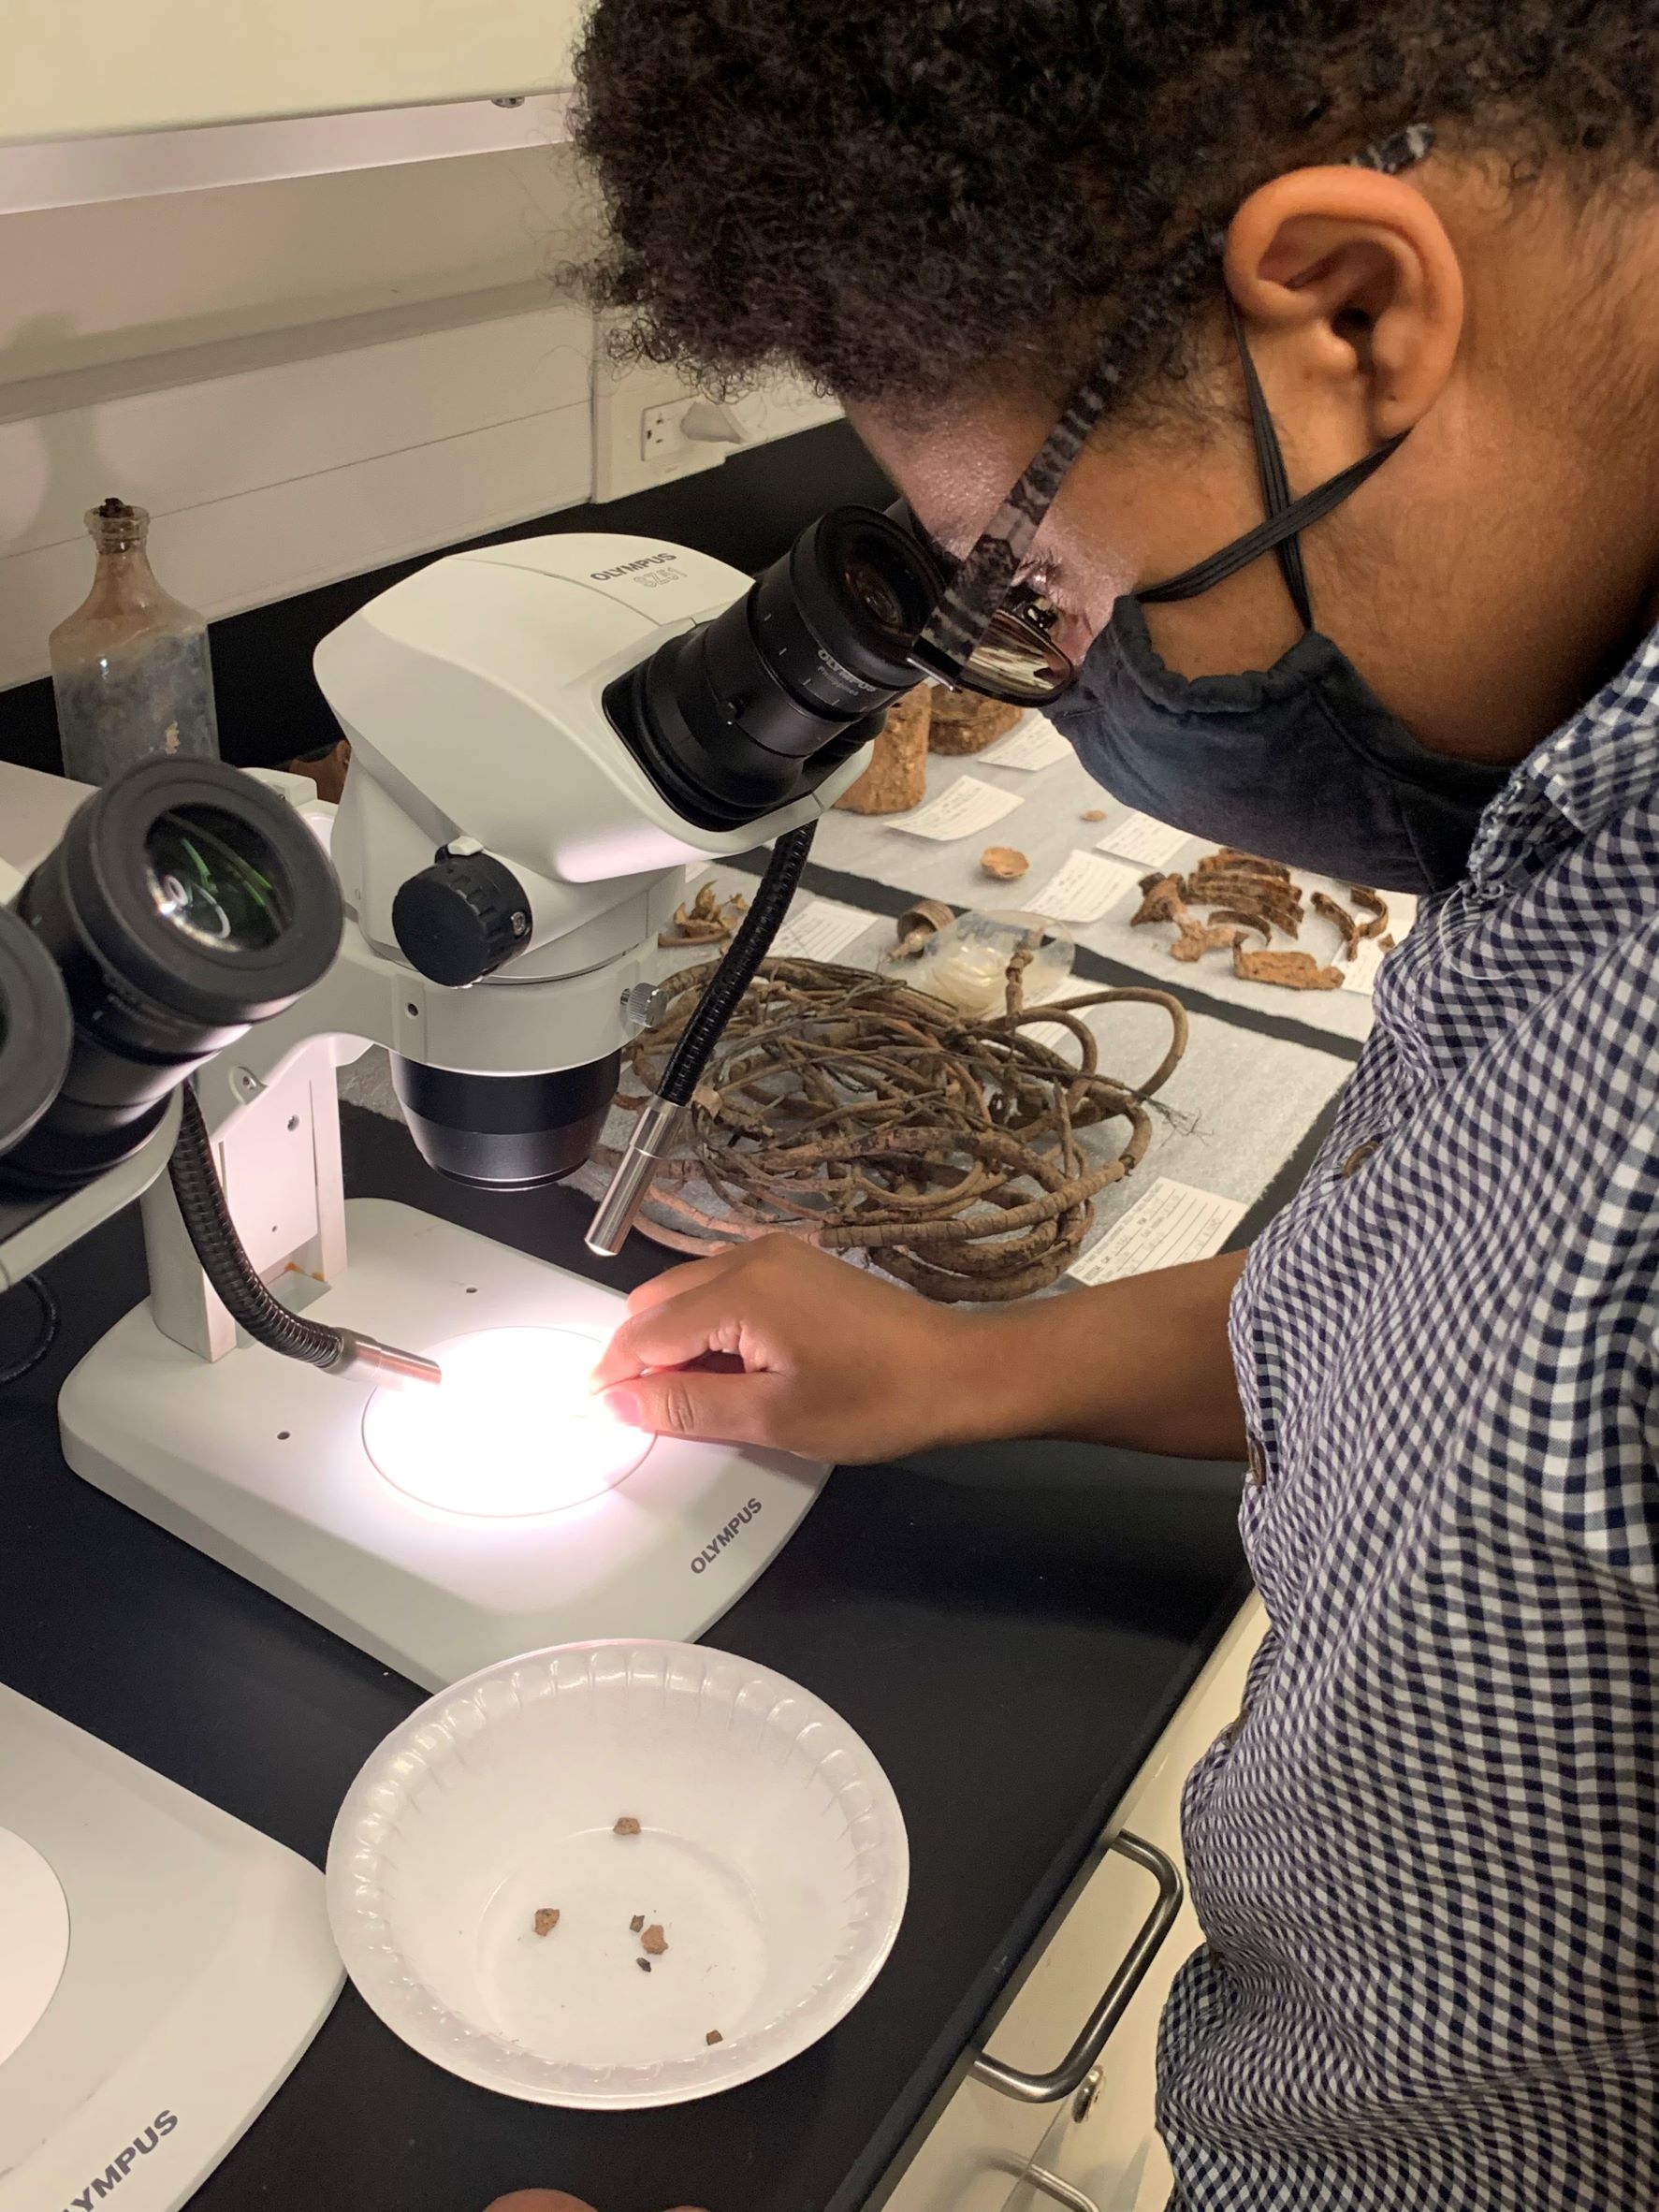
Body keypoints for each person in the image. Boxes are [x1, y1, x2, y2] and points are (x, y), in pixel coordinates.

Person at [569, 7, 1659, 2206]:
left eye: (1044, 583)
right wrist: (967, 1370)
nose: (1068, 679)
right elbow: (1437, 1314)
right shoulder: (1572, 843)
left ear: (1349, 309)